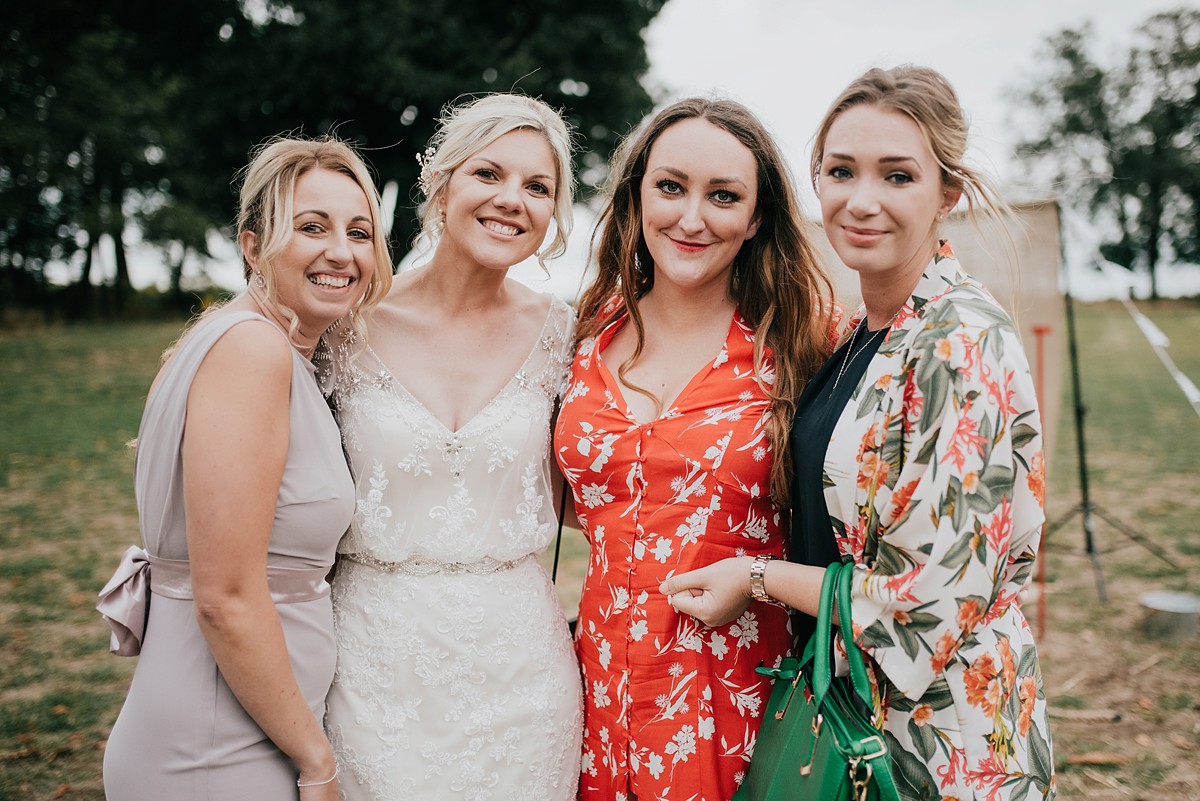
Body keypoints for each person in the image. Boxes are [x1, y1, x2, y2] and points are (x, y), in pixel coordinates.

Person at [664, 65, 1056, 800]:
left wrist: (756, 578)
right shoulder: (858, 335)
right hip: (850, 721)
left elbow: (928, 601)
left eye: (897, 175)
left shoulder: (959, 343)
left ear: (948, 194)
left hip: (941, 740)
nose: (861, 200)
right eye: (841, 171)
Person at [553, 97, 834, 801]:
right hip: (596, 690)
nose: (691, 217)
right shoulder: (583, 336)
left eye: (724, 196)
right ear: (637, 192)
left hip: (738, 695)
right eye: (671, 186)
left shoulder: (806, 344)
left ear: (758, 217)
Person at [97, 135, 392, 800]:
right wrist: (318, 761)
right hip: (218, 747)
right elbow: (226, 598)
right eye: (311, 227)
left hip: (234, 726)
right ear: (253, 244)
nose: (341, 252)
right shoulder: (253, 352)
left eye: (360, 232)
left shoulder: (227, 341)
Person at [317, 93, 583, 801]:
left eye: (538, 186)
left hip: (522, 670)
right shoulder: (348, 323)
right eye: (488, 173)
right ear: (441, 181)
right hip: (374, 664)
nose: (511, 200)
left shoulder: (566, 334)